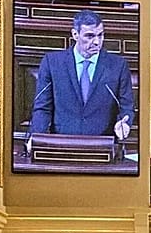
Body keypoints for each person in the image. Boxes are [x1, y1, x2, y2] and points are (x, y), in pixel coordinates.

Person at [27, 10, 134, 142]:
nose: (96, 42)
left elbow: (126, 107)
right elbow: (42, 108)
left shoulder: (118, 66)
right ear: (75, 34)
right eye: (89, 36)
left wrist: (124, 124)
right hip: (62, 144)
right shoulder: (53, 63)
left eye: (100, 35)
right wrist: (36, 138)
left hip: (102, 145)